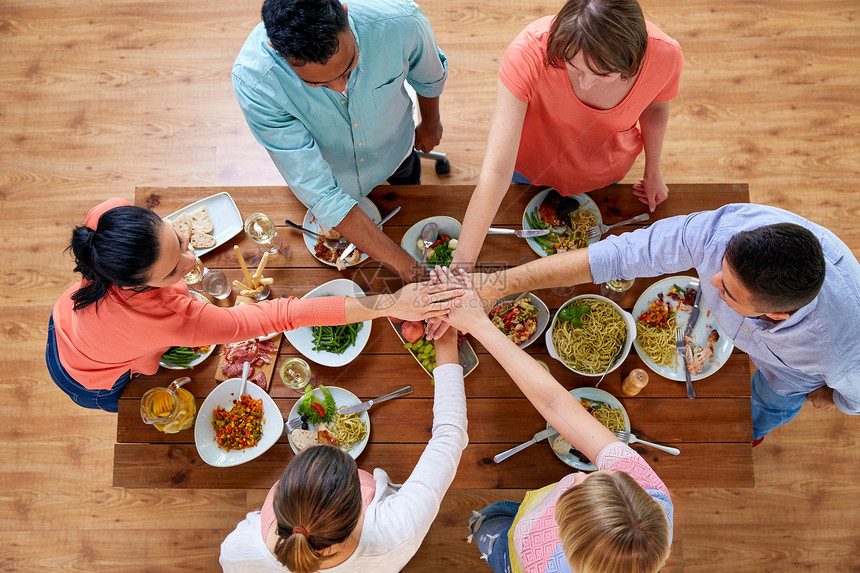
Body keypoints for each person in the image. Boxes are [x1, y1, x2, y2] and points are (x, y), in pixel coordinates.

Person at [465, 203, 860, 444]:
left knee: (766, 407)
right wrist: (500, 283)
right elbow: (618, 254)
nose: (710, 284)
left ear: (774, 315)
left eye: (727, 292)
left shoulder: (846, 350)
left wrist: (829, 399)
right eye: (718, 271)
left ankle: (755, 431)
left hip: (792, 376)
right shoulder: (721, 233)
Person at [47, 198, 463, 412]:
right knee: (143, 372)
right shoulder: (171, 320)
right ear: (135, 284)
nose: (194, 265)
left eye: (181, 241)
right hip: (89, 378)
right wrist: (388, 302)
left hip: (64, 320)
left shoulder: (106, 222)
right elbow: (283, 314)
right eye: (175, 271)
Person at [431, 267, 672, 573]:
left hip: (516, 554)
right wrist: (478, 323)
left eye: (579, 488)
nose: (580, 475)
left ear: (565, 537)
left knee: (490, 532)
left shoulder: (538, 563)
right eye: (601, 477)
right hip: (535, 516)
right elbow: (555, 402)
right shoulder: (650, 497)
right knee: (503, 515)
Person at [453, 0, 683, 270]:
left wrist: (653, 171)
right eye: (573, 67)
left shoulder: (665, 55)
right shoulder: (527, 53)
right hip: (531, 165)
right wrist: (461, 264)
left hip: (606, 169)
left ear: (634, 60)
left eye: (603, 74)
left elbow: (655, 109)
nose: (585, 84)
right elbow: (495, 172)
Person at [219, 327, 467, 572]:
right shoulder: (398, 528)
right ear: (358, 505)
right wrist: (445, 337)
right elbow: (450, 436)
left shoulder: (237, 553)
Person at [233, 0, 448, 281]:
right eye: (316, 84)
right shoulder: (255, 82)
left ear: (344, 14)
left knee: (410, 186)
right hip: (334, 175)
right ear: (276, 48)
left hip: (395, 149)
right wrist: (412, 271)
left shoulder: (400, 21)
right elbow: (323, 194)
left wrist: (431, 123)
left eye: (349, 68)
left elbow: (429, 76)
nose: (341, 87)